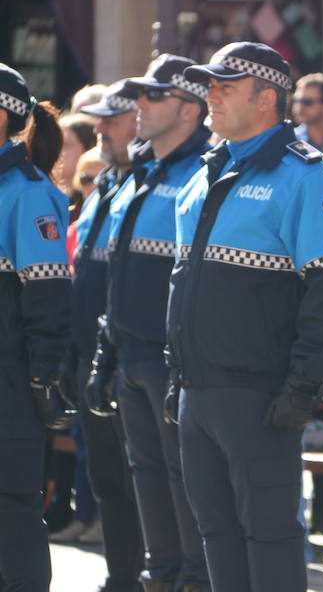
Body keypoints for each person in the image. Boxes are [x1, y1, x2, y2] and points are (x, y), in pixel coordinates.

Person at [174, 41, 323, 592]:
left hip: (260, 391)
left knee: (270, 534)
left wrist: (303, 381)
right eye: (209, 86)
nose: (211, 97)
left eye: (224, 87)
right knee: (215, 533)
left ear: (266, 99)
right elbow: (183, 282)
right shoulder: (205, 171)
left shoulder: (304, 176)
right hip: (197, 387)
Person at [87, 54, 213, 592]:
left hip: (173, 361)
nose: (138, 104)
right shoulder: (139, 173)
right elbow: (118, 273)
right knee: (146, 478)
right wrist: (103, 354)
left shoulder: (205, 172)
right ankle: (160, 578)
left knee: (187, 482)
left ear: (189, 109)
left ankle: (190, 580)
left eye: (153, 96)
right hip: (129, 355)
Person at [0, 62, 73, 592]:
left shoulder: (26, 192)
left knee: (11, 513)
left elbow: (47, 297)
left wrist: (42, 379)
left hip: (9, 381)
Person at [72, 79, 146, 592]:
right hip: (90, 356)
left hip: (132, 356)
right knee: (108, 482)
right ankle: (120, 578)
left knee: (144, 482)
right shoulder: (106, 187)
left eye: (111, 119)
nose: (99, 128)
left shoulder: (147, 182)